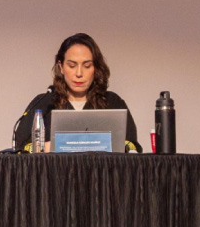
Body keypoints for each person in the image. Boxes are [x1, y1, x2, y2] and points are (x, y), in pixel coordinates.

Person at [13, 33, 141, 153]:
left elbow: (132, 147)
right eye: (72, 65)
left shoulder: (112, 102)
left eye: (87, 66)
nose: (79, 73)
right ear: (61, 67)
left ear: (96, 68)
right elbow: (21, 148)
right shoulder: (44, 104)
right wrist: (43, 148)